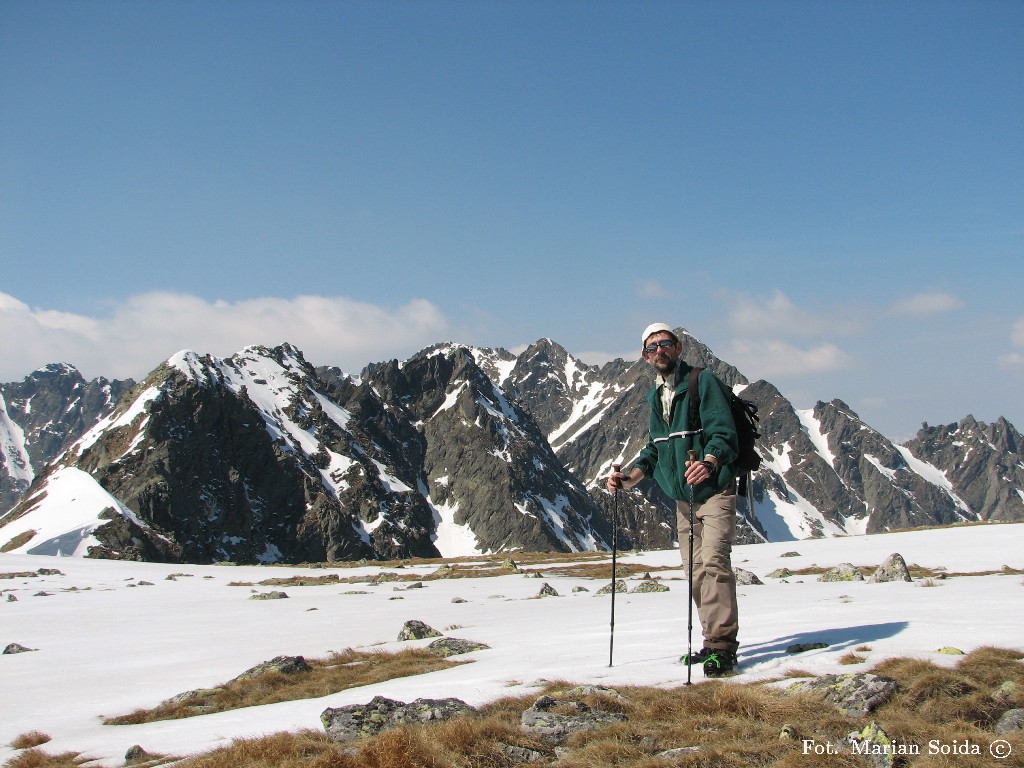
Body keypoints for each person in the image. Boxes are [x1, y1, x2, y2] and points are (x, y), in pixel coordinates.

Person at [606, 322, 741, 677]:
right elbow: (656, 448)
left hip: (714, 491)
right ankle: (712, 643)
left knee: (714, 564)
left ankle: (723, 647)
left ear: (678, 348)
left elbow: (724, 433)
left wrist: (709, 463)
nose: (659, 351)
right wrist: (630, 478)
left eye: (665, 344)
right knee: (694, 571)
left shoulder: (702, 382)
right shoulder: (656, 396)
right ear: (645, 357)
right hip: (684, 501)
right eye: (651, 348)